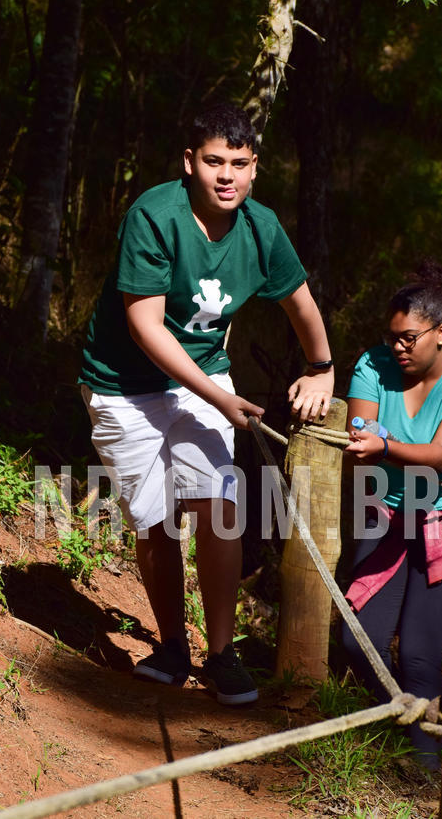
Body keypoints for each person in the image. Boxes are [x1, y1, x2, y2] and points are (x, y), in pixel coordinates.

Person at [80, 102, 334, 705]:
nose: (227, 175)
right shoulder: (154, 214)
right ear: (189, 163)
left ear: (255, 169)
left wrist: (322, 368)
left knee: (219, 503)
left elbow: (299, 302)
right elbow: (147, 327)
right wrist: (222, 397)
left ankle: (220, 655)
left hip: (204, 377)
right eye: (214, 161)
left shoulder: (260, 227)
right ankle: (172, 647)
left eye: (239, 164)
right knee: (155, 520)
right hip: (122, 383)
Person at [343, 260, 442, 767]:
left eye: (410, 338)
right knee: (360, 641)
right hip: (389, 512)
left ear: (441, 333)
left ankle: (427, 771)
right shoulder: (372, 363)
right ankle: (392, 742)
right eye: (392, 336)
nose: (398, 347)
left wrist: (382, 446)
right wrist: (372, 438)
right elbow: (363, 424)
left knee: (421, 655)